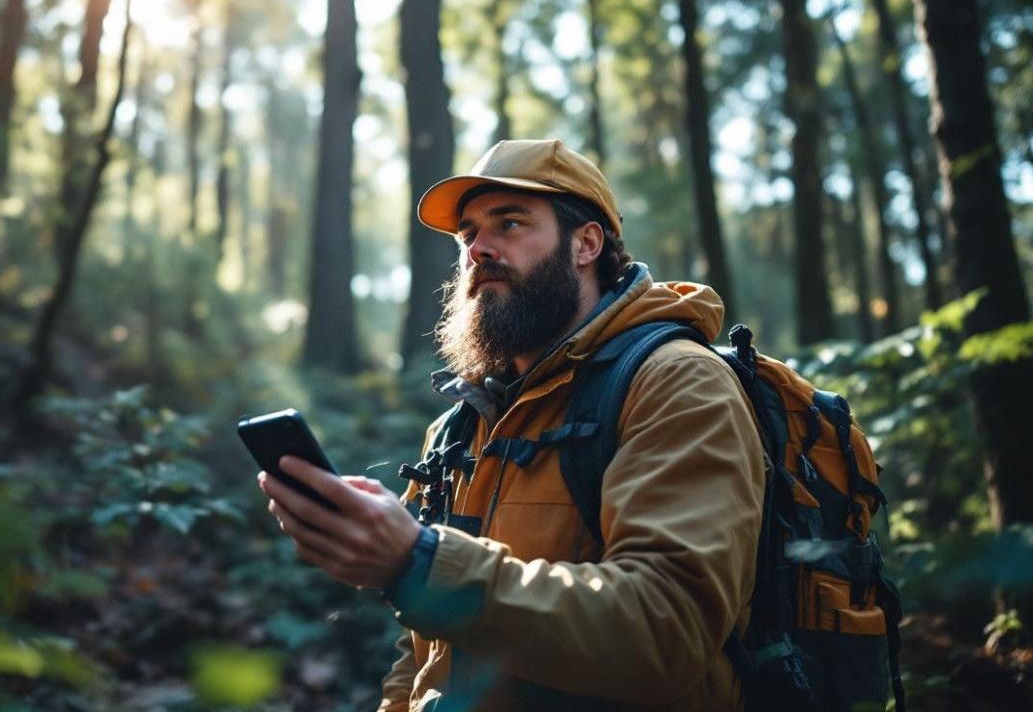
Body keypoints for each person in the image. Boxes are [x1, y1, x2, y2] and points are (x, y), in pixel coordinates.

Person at [258, 139, 764, 710]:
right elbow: (426, 651)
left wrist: (418, 561)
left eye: (510, 223)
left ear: (586, 244)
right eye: (468, 233)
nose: (479, 248)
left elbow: (667, 631)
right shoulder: (460, 425)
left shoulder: (675, 383)